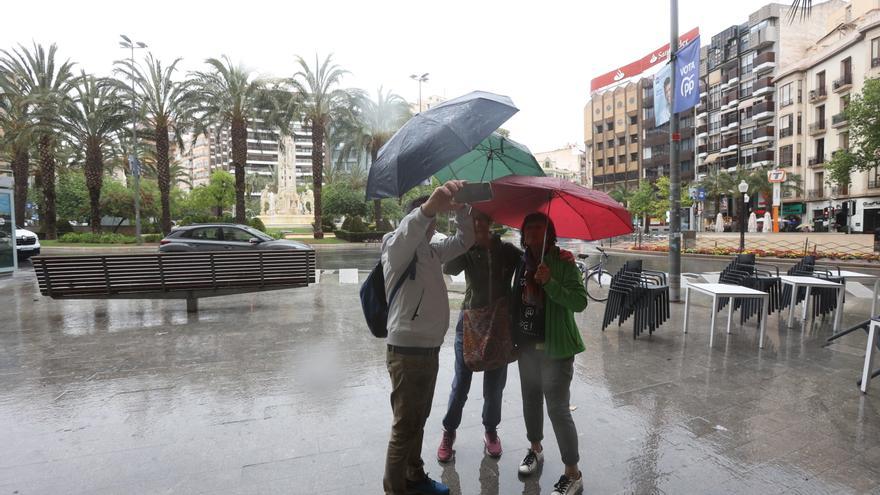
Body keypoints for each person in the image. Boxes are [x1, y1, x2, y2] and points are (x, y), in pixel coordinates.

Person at [437, 212, 576, 463]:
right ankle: (449, 432)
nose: (477, 223)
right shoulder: (467, 248)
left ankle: (491, 431)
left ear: (491, 221)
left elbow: (532, 259)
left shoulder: (507, 251)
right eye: (472, 220)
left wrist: (559, 255)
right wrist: (465, 240)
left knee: (494, 387)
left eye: (481, 219)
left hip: (500, 326)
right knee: (461, 384)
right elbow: (448, 267)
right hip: (470, 324)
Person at [382, 180, 474, 495]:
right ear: (416, 217)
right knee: (403, 429)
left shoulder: (432, 250)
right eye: (429, 220)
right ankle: (396, 489)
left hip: (428, 350)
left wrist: (461, 210)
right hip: (407, 352)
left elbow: (465, 240)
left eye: (434, 222)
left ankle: (414, 477)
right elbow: (407, 233)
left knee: (417, 421)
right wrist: (427, 209)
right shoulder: (395, 244)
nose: (432, 227)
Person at [513, 212, 587, 495]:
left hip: (557, 349)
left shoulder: (564, 261)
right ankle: (535, 449)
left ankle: (573, 472)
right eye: (528, 225)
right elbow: (514, 301)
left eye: (539, 225)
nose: (533, 230)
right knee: (530, 401)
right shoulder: (521, 262)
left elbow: (580, 302)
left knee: (557, 409)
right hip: (527, 347)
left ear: (550, 232)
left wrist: (551, 282)